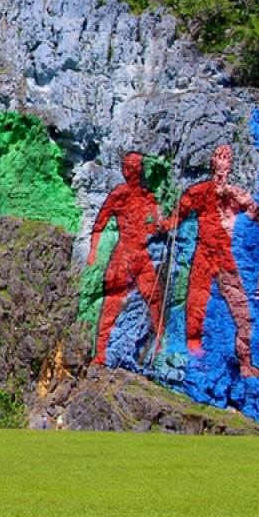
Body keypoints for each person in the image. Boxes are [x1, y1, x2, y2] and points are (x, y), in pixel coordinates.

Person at [169, 145, 259, 378]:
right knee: (195, 305)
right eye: (218, 157)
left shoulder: (235, 195)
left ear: (230, 165)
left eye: (226, 158)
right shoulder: (199, 192)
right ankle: (193, 356)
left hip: (224, 258)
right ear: (213, 162)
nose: (222, 162)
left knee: (242, 313)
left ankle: (245, 364)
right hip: (203, 254)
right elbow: (176, 217)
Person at [88, 153, 166, 364]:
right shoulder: (119, 194)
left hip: (141, 253)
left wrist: (159, 223)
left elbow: (158, 223)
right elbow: (100, 222)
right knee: (113, 300)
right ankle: (101, 352)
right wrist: (93, 251)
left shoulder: (147, 196)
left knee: (154, 297)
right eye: (129, 167)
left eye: (136, 167)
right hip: (123, 253)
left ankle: (160, 343)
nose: (133, 171)